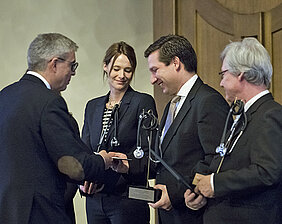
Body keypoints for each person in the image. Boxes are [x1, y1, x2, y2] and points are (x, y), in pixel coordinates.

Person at [0, 33, 128, 224]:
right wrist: (104, 160)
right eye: (72, 65)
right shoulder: (49, 102)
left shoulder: (5, 95)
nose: (73, 73)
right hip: (41, 213)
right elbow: (72, 164)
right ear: (54, 64)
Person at [184, 37, 282, 224]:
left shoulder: (271, 114)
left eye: (223, 74)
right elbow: (226, 163)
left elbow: (267, 172)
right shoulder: (243, 114)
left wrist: (215, 184)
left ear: (241, 74)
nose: (220, 83)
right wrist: (199, 190)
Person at [144, 34, 230, 224]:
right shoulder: (171, 105)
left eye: (155, 70)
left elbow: (216, 159)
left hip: (193, 214)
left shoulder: (208, 101)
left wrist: (176, 193)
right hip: (169, 214)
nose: (152, 79)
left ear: (175, 63)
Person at [80, 41, 157, 224]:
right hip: (95, 198)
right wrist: (82, 180)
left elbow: (152, 154)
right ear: (105, 67)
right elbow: (83, 150)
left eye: (128, 70)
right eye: (116, 68)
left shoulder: (142, 102)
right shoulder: (92, 106)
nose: (121, 75)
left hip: (127, 198)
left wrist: (127, 164)